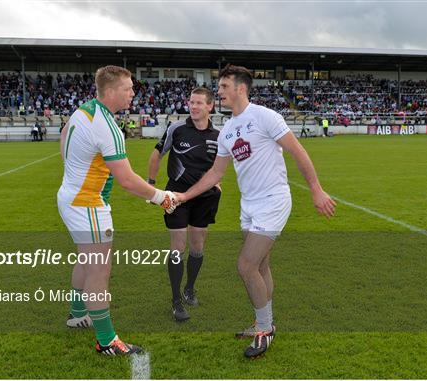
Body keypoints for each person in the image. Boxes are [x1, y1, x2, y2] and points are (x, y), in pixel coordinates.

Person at [174, 65, 336, 359]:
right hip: (249, 205)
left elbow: (298, 151)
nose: (219, 91)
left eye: (223, 86)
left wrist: (315, 188)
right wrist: (184, 195)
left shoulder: (265, 116)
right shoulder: (228, 131)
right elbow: (215, 174)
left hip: (273, 200)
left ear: (240, 88)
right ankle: (264, 322)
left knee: (245, 265)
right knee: (260, 266)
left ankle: (265, 330)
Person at [57, 65, 178, 357]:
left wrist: (72, 169)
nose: (133, 93)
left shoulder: (84, 110)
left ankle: (77, 313)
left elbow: (63, 134)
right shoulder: (107, 126)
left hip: (71, 198)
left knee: (86, 261)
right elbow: (127, 180)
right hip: (87, 204)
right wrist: (161, 197)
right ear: (110, 91)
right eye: (128, 88)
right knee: (100, 269)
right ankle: (106, 339)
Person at [147, 87, 221, 322]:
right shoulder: (176, 128)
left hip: (205, 197)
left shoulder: (218, 136)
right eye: (191, 102)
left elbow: (219, 167)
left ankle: (190, 289)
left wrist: (218, 183)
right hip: (176, 197)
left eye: (199, 103)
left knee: (197, 246)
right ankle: (176, 300)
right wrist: (151, 184)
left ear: (210, 106)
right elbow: (157, 153)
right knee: (178, 245)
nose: (194, 106)